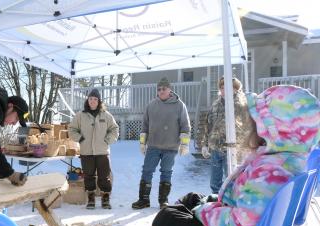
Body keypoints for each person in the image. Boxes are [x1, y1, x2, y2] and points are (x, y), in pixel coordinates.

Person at [136, 85, 320, 226]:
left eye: (257, 120)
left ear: (274, 129)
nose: (251, 124)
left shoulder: (270, 173)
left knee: (165, 220)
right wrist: (210, 205)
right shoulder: (286, 161)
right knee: (192, 199)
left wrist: (204, 211)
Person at [132, 78, 191, 209]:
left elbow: (185, 126)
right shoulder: (151, 105)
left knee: (166, 172)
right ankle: (144, 199)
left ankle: (163, 201)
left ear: (170, 90)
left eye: (164, 88)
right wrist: (142, 143)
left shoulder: (179, 105)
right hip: (153, 145)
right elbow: (145, 126)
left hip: (170, 147)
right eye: (159, 89)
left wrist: (185, 144)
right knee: (147, 171)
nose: (161, 91)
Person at [200, 76, 252, 194]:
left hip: (233, 149)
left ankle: (230, 203)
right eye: (222, 88)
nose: (224, 90)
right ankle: (215, 202)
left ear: (236, 89)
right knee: (214, 183)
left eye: (227, 88)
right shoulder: (216, 104)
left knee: (231, 181)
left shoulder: (242, 104)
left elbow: (249, 127)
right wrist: (204, 144)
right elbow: (208, 124)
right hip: (216, 148)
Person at [68, 89, 119, 209]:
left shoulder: (106, 115)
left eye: (95, 99)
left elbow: (114, 129)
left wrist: (107, 140)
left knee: (104, 176)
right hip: (86, 152)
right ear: (87, 100)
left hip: (102, 151)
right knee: (88, 176)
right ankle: (90, 198)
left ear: (99, 101)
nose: (92, 101)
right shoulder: (80, 115)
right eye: (90, 98)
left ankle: (105, 198)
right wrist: (80, 138)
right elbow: (72, 129)